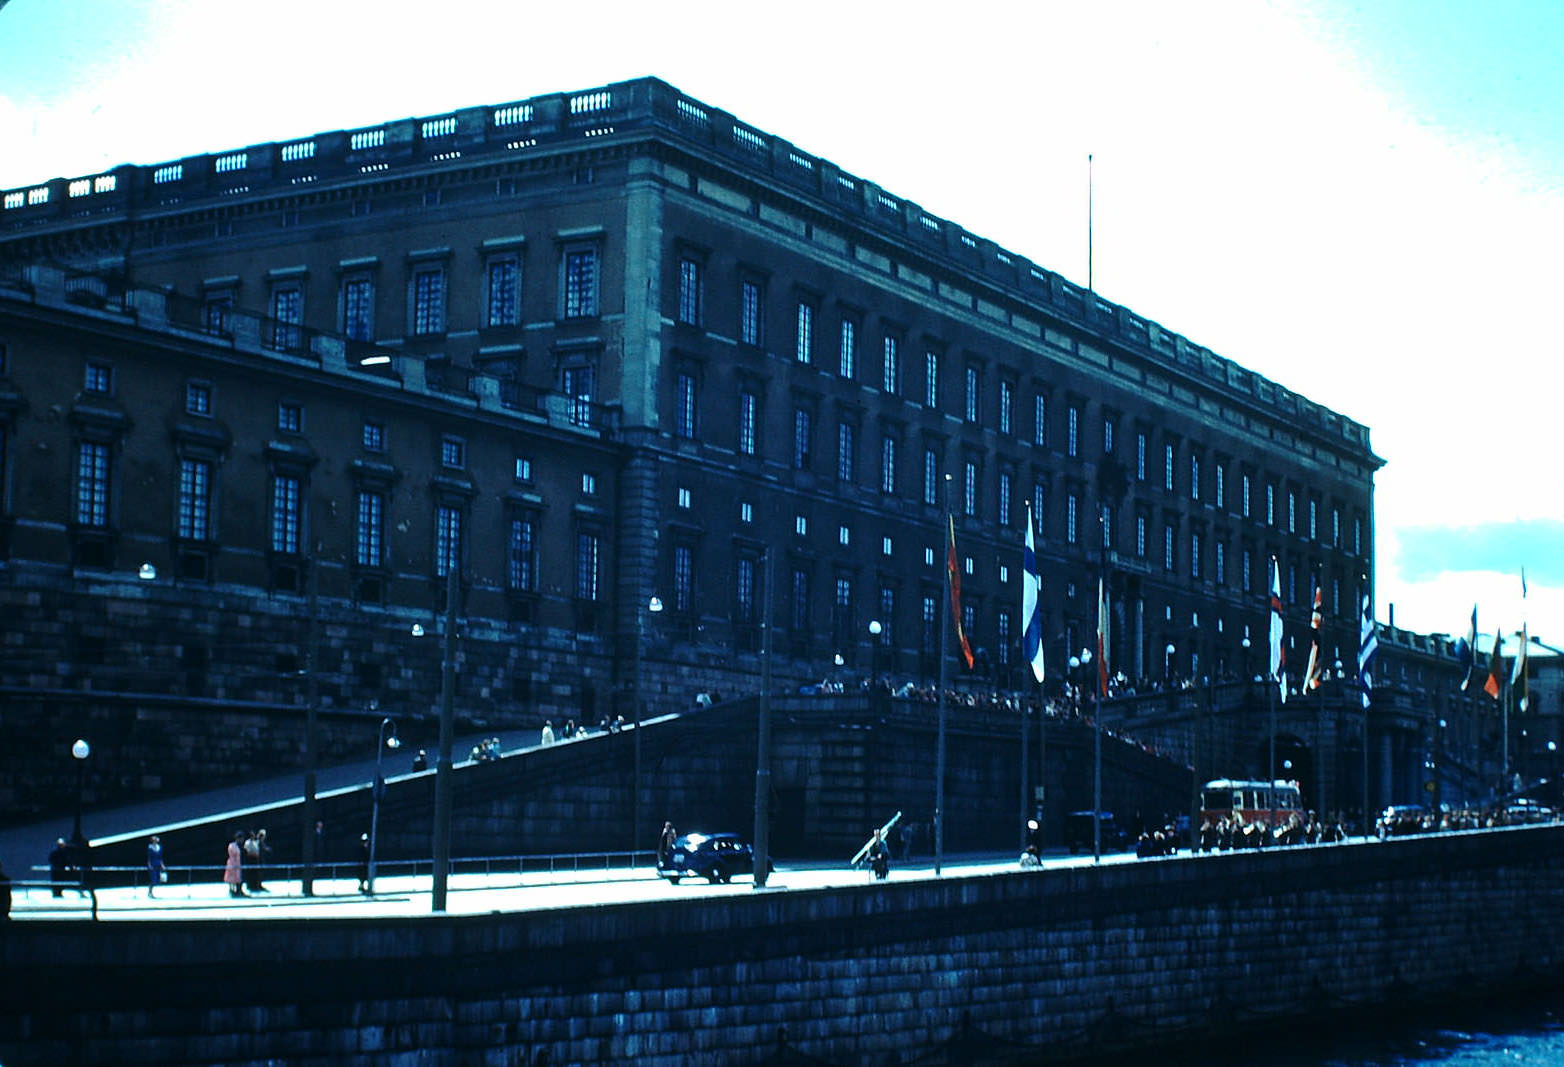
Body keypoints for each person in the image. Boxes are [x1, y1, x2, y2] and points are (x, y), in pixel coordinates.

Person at [225, 832, 245, 898]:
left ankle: (239, 891)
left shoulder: (240, 846)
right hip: (232, 864)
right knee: (231, 879)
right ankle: (232, 891)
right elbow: (233, 854)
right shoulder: (232, 845)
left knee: (238, 878)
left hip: (238, 864)